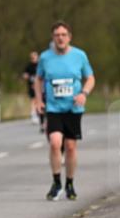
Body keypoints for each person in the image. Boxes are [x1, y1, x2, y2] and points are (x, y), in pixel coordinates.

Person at [33, 21, 95, 201]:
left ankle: (69, 183)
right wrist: (38, 100)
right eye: (57, 35)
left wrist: (84, 93)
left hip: (73, 108)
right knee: (54, 142)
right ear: (53, 38)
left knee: (70, 147)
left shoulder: (79, 55)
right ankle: (56, 182)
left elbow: (90, 78)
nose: (60, 38)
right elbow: (38, 79)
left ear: (69, 37)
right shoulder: (45, 58)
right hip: (53, 108)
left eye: (63, 35)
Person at [22, 51, 44, 132]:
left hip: (40, 86)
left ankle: (40, 114)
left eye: (35, 57)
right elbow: (24, 74)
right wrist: (26, 76)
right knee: (33, 100)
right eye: (32, 57)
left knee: (39, 99)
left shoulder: (40, 65)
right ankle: (34, 114)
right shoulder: (28, 66)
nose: (33, 59)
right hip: (31, 85)